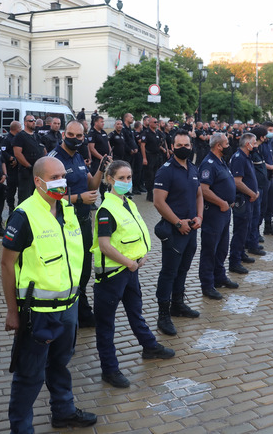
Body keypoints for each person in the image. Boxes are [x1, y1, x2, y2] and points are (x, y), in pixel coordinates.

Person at [1, 157, 98, 433]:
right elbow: (7, 264)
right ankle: (21, 428)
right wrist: (12, 310)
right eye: (54, 177)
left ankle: (64, 411)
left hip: (69, 307)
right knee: (29, 375)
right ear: (38, 181)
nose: (61, 182)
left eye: (62, 176)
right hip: (38, 313)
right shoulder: (24, 215)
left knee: (60, 364)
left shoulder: (67, 210)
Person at [92, 160, 176, 388]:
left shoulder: (127, 203)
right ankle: (109, 370)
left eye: (129, 178)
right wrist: (129, 263)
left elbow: (135, 234)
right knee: (106, 325)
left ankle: (149, 346)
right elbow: (105, 245)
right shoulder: (106, 209)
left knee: (136, 312)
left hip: (130, 270)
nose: (127, 182)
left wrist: (142, 255)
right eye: (121, 178)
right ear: (109, 179)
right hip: (112, 275)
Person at [47, 120, 106, 328]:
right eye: (71, 135)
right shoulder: (53, 160)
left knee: (84, 268)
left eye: (79, 136)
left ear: (84, 137)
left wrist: (101, 170)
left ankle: (80, 307)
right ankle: (75, 311)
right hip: (63, 223)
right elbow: (49, 195)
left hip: (82, 221)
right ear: (64, 134)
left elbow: (91, 184)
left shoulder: (79, 156)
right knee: (70, 267)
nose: (75, 139)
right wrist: (79, 198)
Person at [152, 131, 203, 336]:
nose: (184, 148)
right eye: (180, 144)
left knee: (183, 269)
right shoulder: (165, 171)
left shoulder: (192, 167)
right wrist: (177, 222)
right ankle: (163, 315)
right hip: (174, 230)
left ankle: (178, 305)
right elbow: (158, 201)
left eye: (187, 145)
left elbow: (199, 194)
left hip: (191, 229)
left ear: (191, 147)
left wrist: (199, 217)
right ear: (172, 147)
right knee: (169, 272)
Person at [198, 133, 239, 300]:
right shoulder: (208, 164)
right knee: (210, 249)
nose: (229, 146)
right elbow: (204, 189)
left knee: (222, 248)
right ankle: (207, 284)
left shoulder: (221, 161)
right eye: (227, 143)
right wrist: (221, 202)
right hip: (214, 213)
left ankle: (219, 276)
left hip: (225, 212)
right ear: (218, 146)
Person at [228, 133, 260, 274]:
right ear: (248, 144)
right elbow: (237, 181)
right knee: (240, 231)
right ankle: (234, 261)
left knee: (245, 228)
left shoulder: (247, 157)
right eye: (255, 142)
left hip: (249, 199)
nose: (256, 145)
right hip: (242, 200)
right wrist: (251, 193)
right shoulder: (239, 158)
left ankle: (241, 253)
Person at [13, 114, 47, 205]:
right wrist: (29, 166)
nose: (33, 122)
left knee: (38, 197)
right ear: (25, 123)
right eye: (31, 120)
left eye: (34, 120)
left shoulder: (37, 136)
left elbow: (44, 150)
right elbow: (17, 153)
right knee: (25, 199)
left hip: (38, 173)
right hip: (27, 173)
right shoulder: (20, 136)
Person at [0, 121, 23, 217]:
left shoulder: (19, 138)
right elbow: (3, 152)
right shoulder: (7, 139)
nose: (21, 129)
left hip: (19, 168)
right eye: (20, 127)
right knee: (11, 190)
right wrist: (11, 158)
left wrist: (17, 159)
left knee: (21, 189)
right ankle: (11, 207)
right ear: (16, 129)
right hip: (11, 169)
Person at [140, 117, 164, 201]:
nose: (156, 123)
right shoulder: (145, 133)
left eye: (157, 122)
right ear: (150, 123)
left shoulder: (157, 133)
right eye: (155, 122)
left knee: (156, 175)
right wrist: (144, 158)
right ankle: (149, 194)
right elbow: (142, 145)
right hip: (149, 156)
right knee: (149, 176)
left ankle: (155, 193)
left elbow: (160, 143)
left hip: (157, 156)